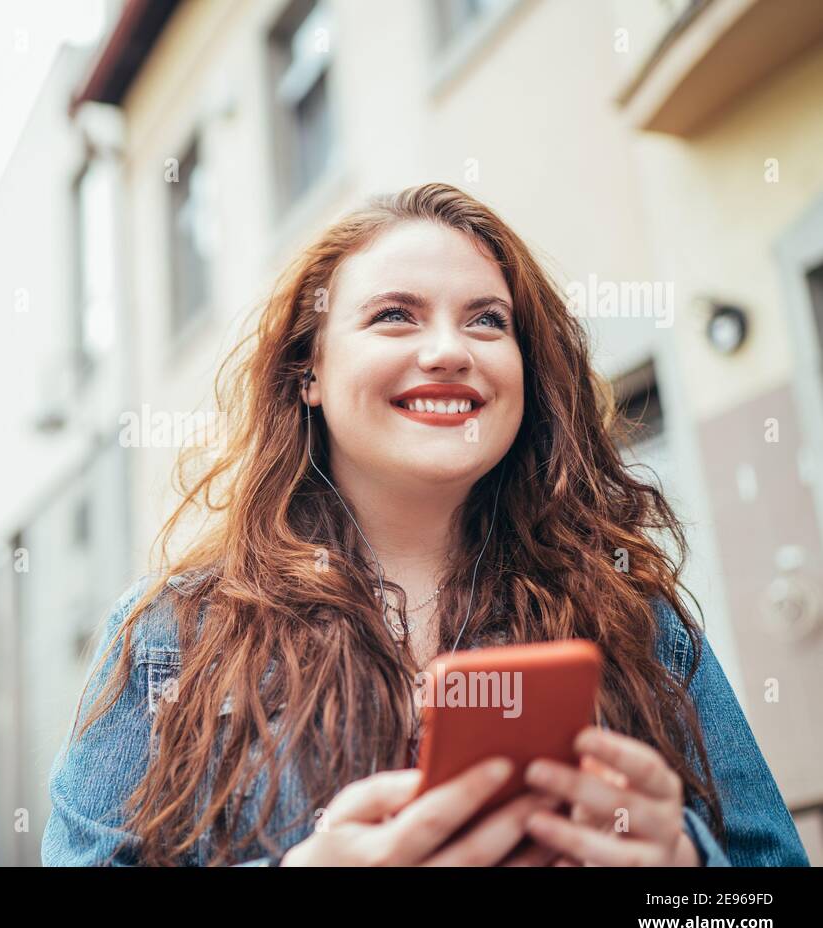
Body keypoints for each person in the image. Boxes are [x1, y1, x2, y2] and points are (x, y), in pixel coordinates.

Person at [41, 183, 809, 867]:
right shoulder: (173, 634)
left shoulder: (638, 617)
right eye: (394, 316)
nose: (448, 351)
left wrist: (681, 867)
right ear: (308, 370)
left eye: (486, 320)